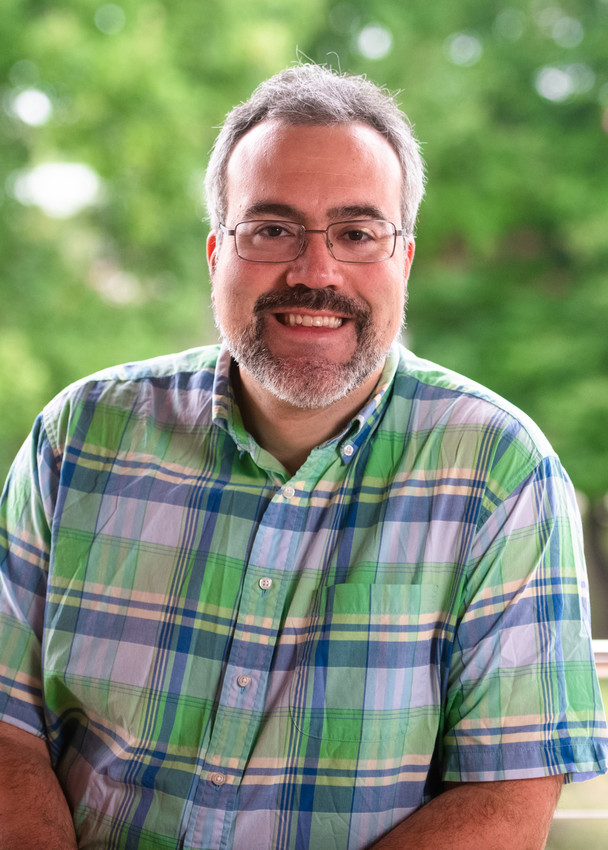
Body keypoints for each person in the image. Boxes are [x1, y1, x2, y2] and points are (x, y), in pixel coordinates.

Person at [0, 63, 606, 850]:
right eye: (272, 230)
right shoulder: (77, 438)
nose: (316, 272)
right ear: (216, 254)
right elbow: (7, 731)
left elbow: (506, 798)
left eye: (357, 234)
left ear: (404, 261)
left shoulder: (502, 472)